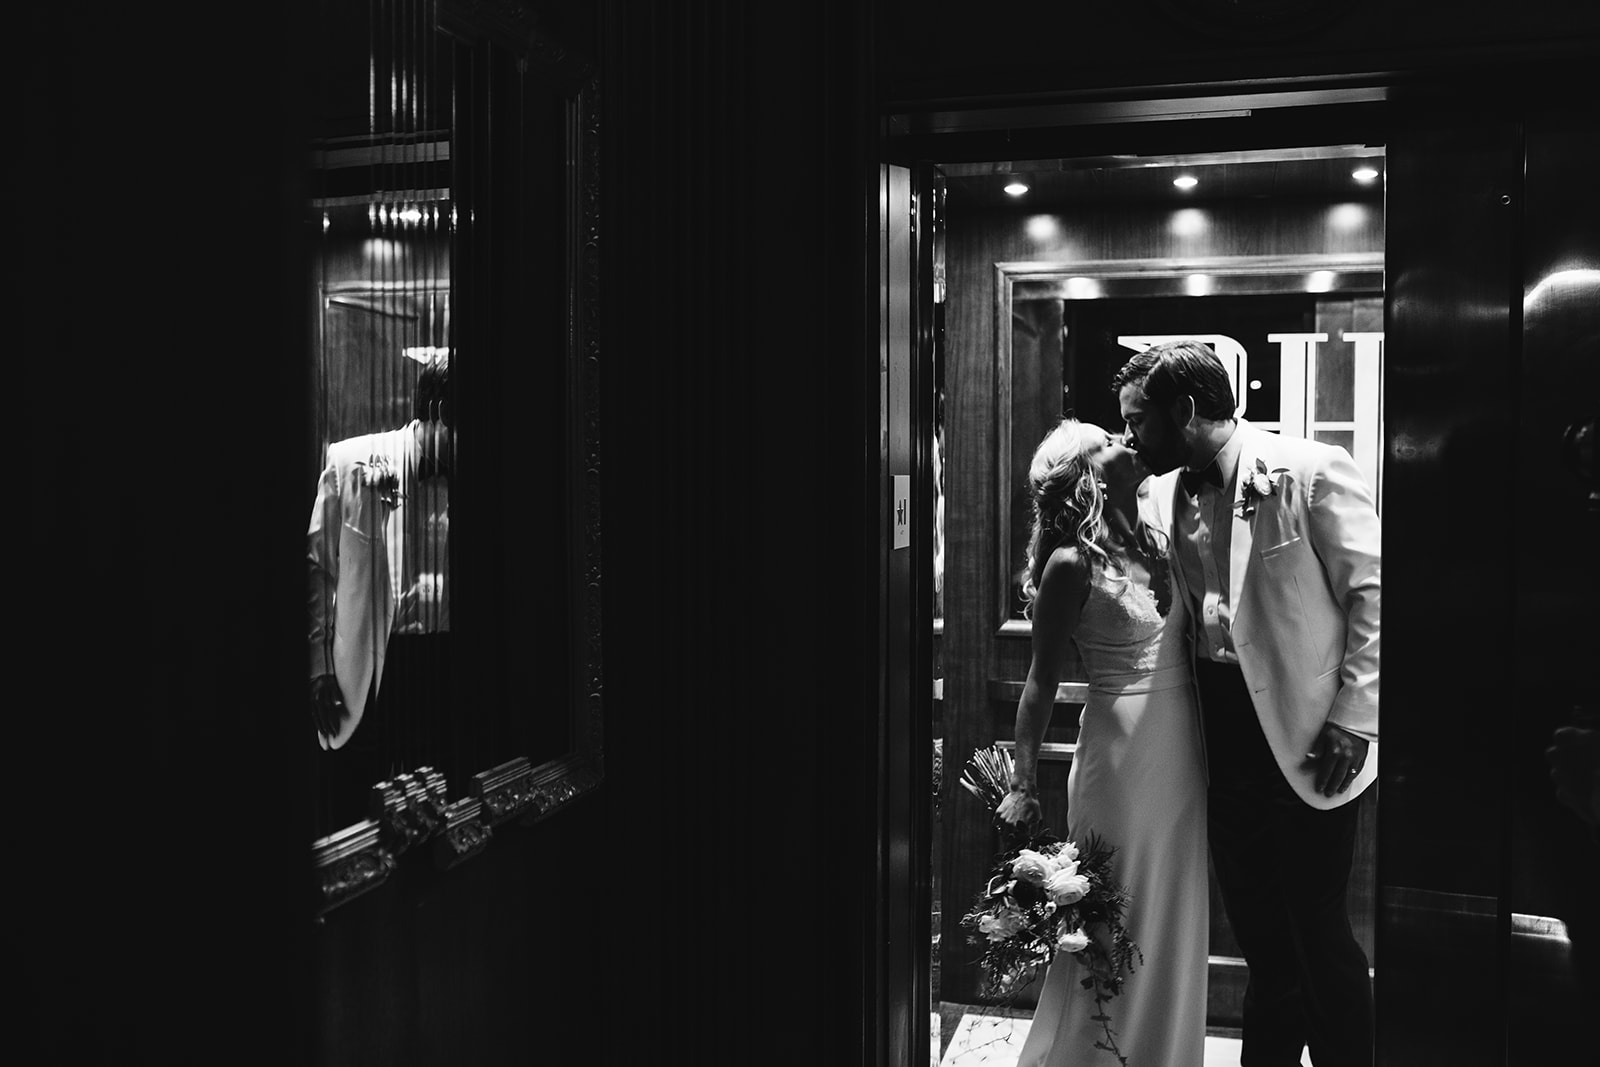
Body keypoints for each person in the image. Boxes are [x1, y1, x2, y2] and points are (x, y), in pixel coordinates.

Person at [1113, 339, 1380, 1067]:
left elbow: (1374, 596)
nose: (1131, 438)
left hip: (1310, 735)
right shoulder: (1164, 491)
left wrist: (1356, 716)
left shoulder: (1311, 470)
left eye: (1139, 421)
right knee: (1261, 933)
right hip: (1221, 738)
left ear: (1186, 410)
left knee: (1319, 931)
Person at [998, 418, 1209, 1067]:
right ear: (1088, 473)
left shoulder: (1156, 534)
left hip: (1182, 746)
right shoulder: (1071, 563)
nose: (1127, 441)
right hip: (1118, 759)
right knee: (1116, 909)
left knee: (1174, 905)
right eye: (1108, 439)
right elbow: (1039, 681)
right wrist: (1021, 781)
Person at [307, 352, 453, 826]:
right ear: (434, 415)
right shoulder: (348, 462)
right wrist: (317, 668)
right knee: (357, 814)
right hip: (366, 672)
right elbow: (316, 570)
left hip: (442, 670)